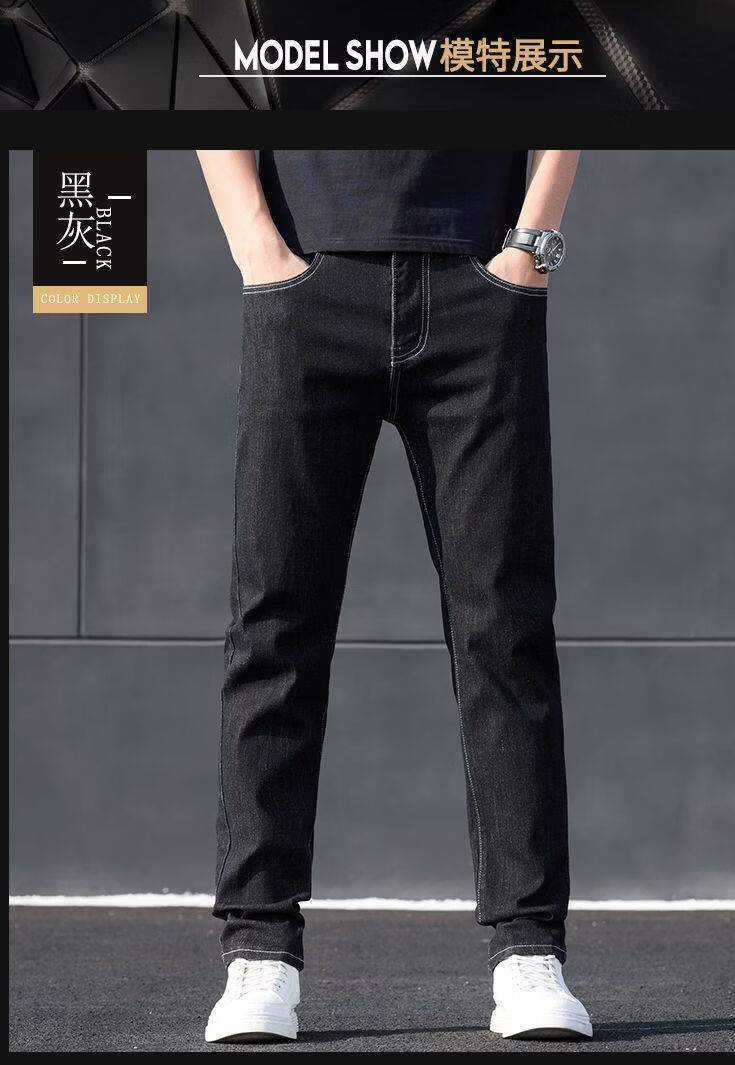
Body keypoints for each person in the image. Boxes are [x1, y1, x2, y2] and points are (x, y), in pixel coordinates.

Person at [196, 149, 591, 1044]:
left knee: (505, 626)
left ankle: (530, 948)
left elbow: (574, 90)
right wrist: (259, 249)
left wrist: (529, 247)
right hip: (307, 277)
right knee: (274, 621)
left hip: (479, 277)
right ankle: (259, 949)